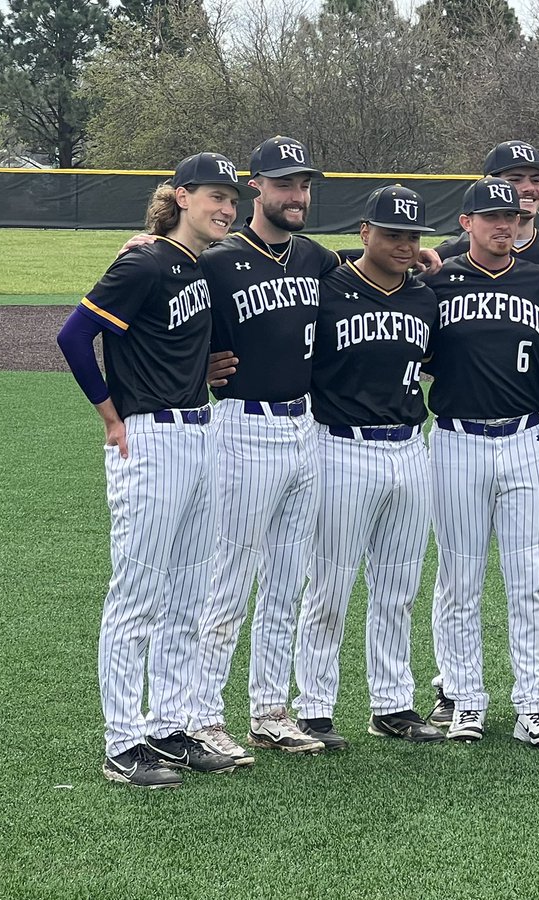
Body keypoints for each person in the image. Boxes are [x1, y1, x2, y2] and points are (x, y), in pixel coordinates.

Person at [56, 152, 242, 787]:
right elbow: (73, 336)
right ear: (182, 196)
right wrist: (111, 416)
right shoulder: (144, 261)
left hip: (198, 436)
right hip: (150, 439)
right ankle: (121, 741)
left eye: (232, 198)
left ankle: (169, 727)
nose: (226, 207)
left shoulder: (196, 264)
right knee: (137, 596)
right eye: (215, 195)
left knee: (188, 596)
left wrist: (202, 374)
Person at [186, 135, 338, 760]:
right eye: (284, 184)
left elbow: (378, 267)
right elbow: (166, 319)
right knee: (229, 577)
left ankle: (269, 710)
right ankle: (199, 714)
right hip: (243, 428)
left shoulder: (316, 259)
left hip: (304, 429)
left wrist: (437, 256)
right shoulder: (217, 261)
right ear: (257, 188)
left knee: (285, 578)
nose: (296, 195)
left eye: (303, 184)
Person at [293, 185, 444, 743]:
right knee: (329, 587)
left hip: (410, 448)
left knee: (398, 587)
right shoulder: (326, 289)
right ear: (364, 232)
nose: (404, 245)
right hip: (340, 447)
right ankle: (313, 707)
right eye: (392, 234)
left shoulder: (425, 297)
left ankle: (393, 703)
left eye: (412, 236)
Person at [422, 177, 539, 748]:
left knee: (530, 579)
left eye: (510, 215)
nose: (503, 225)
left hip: (528, 439)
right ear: (466, 222)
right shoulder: (437, 279)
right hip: (457, 439)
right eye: (490, 217)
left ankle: (534, 702)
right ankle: (464, 699)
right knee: (459, 578)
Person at [435, 140, 539, 268]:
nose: (529, 188)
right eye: (515, 179)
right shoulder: (448, 254)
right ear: (490, 183)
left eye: (536, 180)